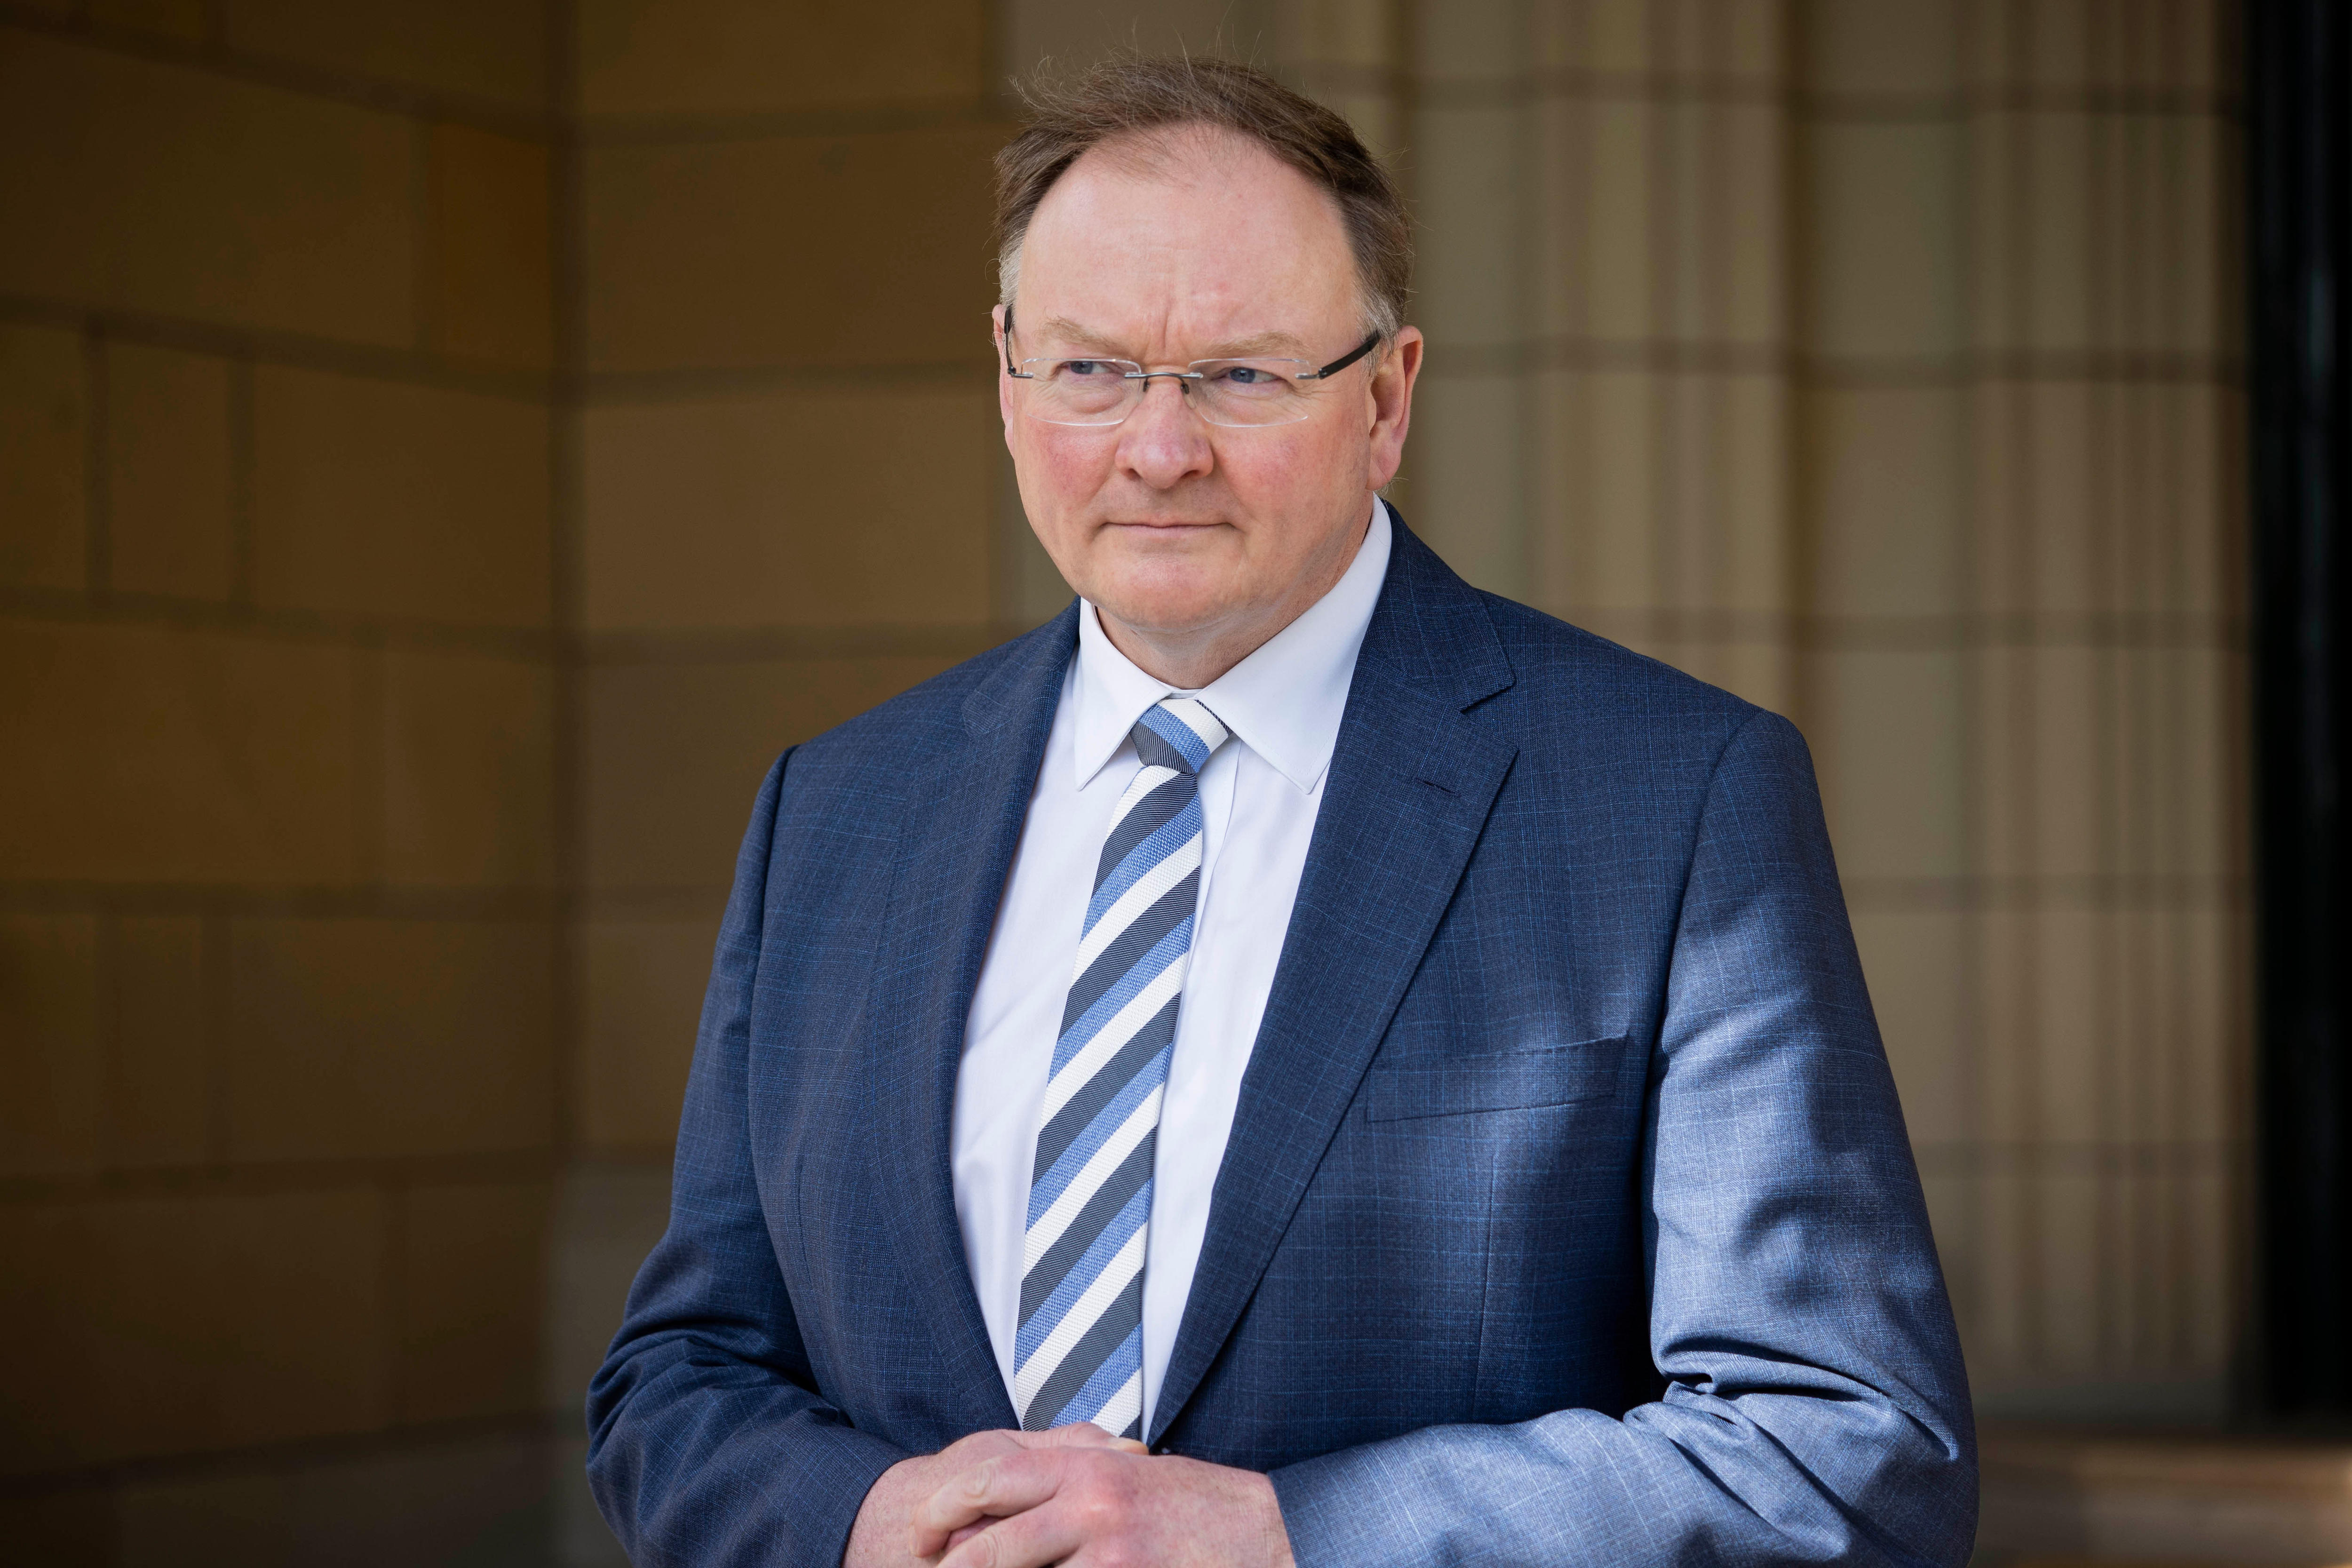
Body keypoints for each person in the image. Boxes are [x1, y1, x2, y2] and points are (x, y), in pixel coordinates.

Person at [586, 56, 1974, 1568]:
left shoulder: (1671, 801)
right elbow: (678, 1383)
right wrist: (855, 1520)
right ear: (1004, 379)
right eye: (1091, 368)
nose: (1160, 448)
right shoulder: (835, 814)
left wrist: (1291, 1538)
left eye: (1243, 374)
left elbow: (1842, 1450)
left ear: (1387, 400)